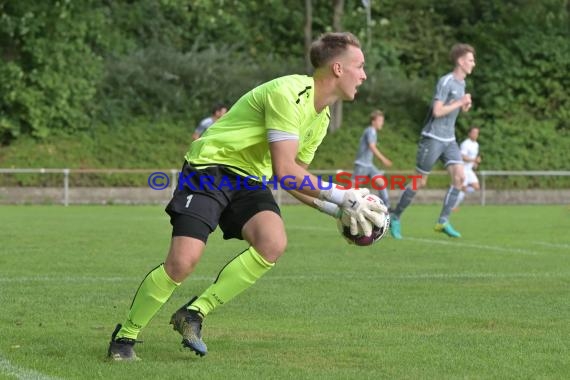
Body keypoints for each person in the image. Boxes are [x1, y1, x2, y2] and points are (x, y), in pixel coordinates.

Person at [107, 32, 386, 361]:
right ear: (338, 68)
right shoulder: (289, 93)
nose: (364, 75)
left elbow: (296, 178)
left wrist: (334, 209)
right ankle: (125, 337)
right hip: (211, 167)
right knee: (182, 262)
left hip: (249, 179)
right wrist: (344, 196)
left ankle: (193, 313)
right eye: (360, 66)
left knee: (273, 243)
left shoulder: (321, 118)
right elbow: (285, 170)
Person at [389, 43, 476, 240]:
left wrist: (464, 105)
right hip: (433, 138)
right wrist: (459, 102)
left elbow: (456, 108)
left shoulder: (462, 84)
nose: (473, 64)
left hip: (449, 139)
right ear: (461, 61)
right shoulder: (446, 81)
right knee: (420, 181)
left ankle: (443, 221)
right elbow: (437, 111)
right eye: (471, 60)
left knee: (460, 177)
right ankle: (395, 216)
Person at [353, 109, 393, 209]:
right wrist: (383, 159)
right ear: (373, 121)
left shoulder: (373, 132)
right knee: (353, 189)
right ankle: (342, 204)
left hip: (369, 165)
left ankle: (387, 206)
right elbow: (372, 147)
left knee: (381, 182)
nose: (382, 123)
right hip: (362, 164)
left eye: (382, 121)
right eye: (380, 120)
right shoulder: (370, 131)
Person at [453, 126, 482, 209]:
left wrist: (475, 163)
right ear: (469, 134)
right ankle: (454, 205)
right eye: (473, 133)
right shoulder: (465, 144)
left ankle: (456, 191)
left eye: (477, 133)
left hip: (469, 170)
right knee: (463, 189)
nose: (475, 135)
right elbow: (462, 157)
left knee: (476, 187)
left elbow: (473, 157)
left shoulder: (476, 144)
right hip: (463, 169)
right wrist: (474, 160)